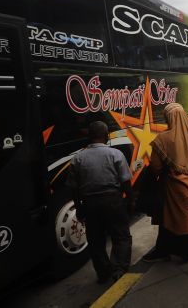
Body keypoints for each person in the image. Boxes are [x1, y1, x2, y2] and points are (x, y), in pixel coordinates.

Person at [142, 103, 188, 263]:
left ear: (168, 118)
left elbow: (156, 167)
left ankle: (166, 250)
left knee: (172, 218)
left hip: (173, 187)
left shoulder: (161, 139)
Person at [67, 121, 133, 284]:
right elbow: (125, 181)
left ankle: (103, 273)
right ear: (107, 136)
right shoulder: (115, 154)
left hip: (90, 203)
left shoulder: (77, 158)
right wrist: (130, 200)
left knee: (95, 240)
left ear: (89, 137)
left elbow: (73, 188)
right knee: (121, 235)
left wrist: (79, 207)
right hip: (113, 201)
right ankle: (119, 269)